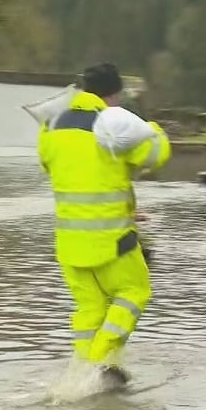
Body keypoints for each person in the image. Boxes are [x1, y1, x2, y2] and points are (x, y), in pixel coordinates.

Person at [38, 63, 171, 386]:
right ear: (115, 95)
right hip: (112, 242)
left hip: (69, 243)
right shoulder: (113, 125)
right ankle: (100, 360)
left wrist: (126, 208)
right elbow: (157, 155)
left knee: (91, 309)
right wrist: (151, 127)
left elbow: (67, 171)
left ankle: (82, 376)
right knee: (134, 292)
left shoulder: (52, 125)